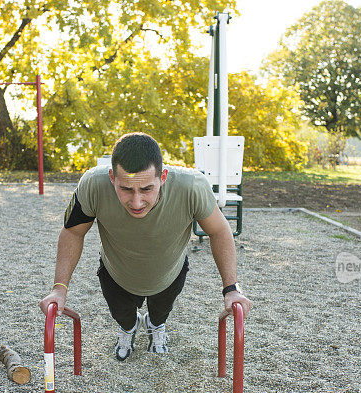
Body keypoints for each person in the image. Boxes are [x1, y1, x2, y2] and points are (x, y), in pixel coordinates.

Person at [39, 132, 252, 360]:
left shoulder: (192, 186)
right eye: (126, 189)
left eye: (146, 189)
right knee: (124, 318)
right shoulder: (92, 185)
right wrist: (59, 288)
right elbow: (73, 231)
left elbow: (219, 230)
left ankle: (155, 325)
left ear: (163, 177)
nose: (137, 202)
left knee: (160, 314)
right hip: (116, 272)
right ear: (112, 177)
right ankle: (128, 329)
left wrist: (231, 288)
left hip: (169, 272)